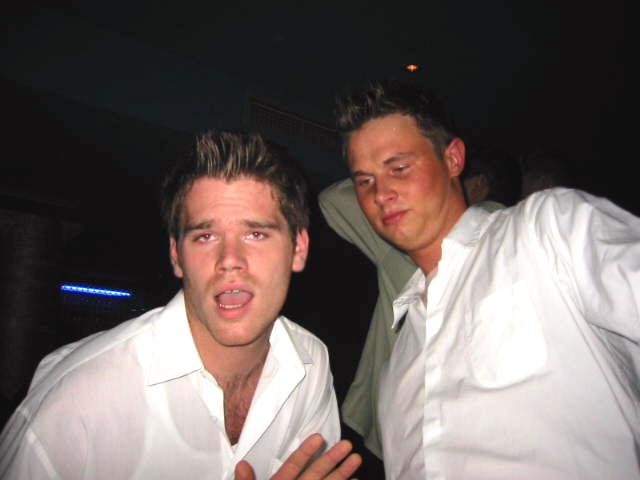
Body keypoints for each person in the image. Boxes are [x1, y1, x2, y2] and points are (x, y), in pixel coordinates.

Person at [0, 132, 360, 479]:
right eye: (205, 236)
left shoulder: (310, 364)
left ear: (298, 248)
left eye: (256, 233)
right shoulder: (80, 400)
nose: (229, 259)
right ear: (176, 256)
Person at [326, 80, 640, 479]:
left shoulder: (545, 230)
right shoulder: (396, 369)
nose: (381, 193)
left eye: (399, 168)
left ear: (453, 159)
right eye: (364, 181)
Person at [319, 140, 519, 458]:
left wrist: (372, 176)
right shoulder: (523, 243)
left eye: (401, 170)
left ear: (477, 183)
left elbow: (332, 201)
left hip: (390, 433)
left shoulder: (416, 235)